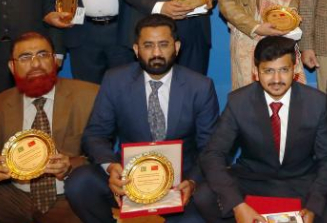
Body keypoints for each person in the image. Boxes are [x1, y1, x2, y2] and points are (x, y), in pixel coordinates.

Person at [64, 14, 220, 223]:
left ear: (177, 47)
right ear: (137, 50)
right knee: (79, 182)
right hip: (127, 180)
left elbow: (210, 147)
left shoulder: (200, 87)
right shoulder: (115, 80)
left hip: (179, 183)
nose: (156, 53)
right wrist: (111, 167)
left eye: (163, 44)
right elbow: (95, 135)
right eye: (148, 46)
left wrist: (191, 182)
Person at [0, 32, 99, 223]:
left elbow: (103, 158)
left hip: (68, 196)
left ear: (55, 61)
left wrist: (70, 166)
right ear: (12, 66)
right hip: (15, 195)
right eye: (25, 57)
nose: (35, 64)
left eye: (43, 55)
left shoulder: (90, 96)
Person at [197, 36, 327, 223]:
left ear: (294, 69)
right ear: (256, 71)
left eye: (283, 70)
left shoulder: (317, 102)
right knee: (203, 196)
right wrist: (238, 205)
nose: (277, 79)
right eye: (268, 71)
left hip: (300, 180)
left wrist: (312, 207)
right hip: (253, 180)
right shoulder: (239, 102)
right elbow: (213, 154)